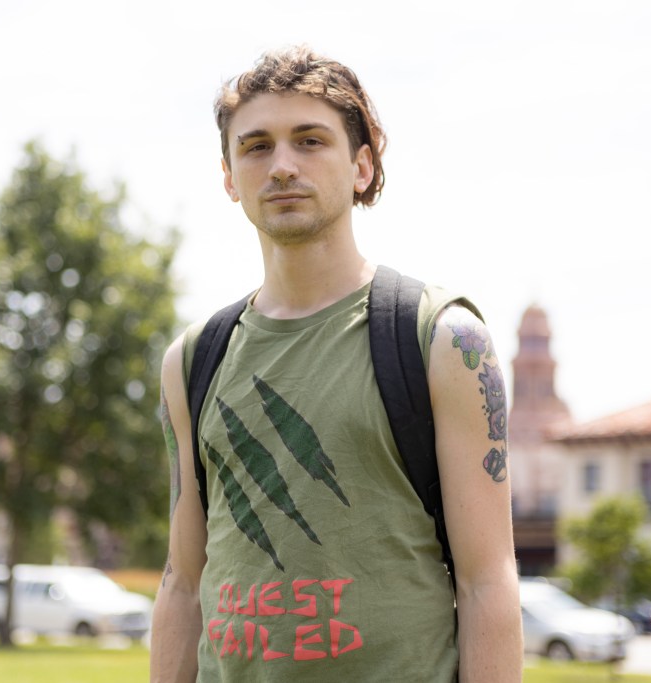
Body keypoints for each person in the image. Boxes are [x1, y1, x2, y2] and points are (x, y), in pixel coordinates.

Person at [150, 46, 523, 682]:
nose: (282, 166)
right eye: (257, 146)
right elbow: (183, 583)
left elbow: (488, 582)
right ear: (229, 176)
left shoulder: (440, 338)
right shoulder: (192, 359)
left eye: (310, 140)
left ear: (361, 166)